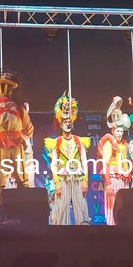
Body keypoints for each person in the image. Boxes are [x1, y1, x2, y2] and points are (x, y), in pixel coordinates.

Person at [0, 72, 34, 224]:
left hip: (6, 148)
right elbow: (29, 130)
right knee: (20, 183)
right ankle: (14, 218)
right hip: (12, 147)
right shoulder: (18, 108)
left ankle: (1, 219)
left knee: (1, 185)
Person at [44, 93, 91, 225]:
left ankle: (84, 231)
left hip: (77, 177)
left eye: (69, 122)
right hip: (63, 178)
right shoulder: (56, 142)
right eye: (65, 122)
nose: (67, 124)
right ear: (61, 124)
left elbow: (84, 161)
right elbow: (54, 164)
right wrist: (57, 183)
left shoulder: (79, 141)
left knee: (81, 206)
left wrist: (86, 180)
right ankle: (61, 234)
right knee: (61, 209)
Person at [98, 96, 131, 225]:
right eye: (117, 131)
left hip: (123, 179)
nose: (119, 133)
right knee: (113, 206)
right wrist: (108, 182)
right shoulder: (108, 143)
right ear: (112, 130)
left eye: (121, 131)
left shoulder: (123, 144)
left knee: (123, 207)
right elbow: (105, 163)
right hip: (113, 179)